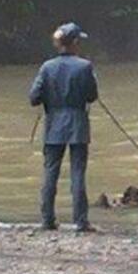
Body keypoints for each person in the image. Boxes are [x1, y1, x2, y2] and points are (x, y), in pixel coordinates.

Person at [28, 23, 99, 231]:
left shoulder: (47, 67)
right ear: (75, 42)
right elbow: (92, 96)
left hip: (53, 127)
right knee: (78, 173)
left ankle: (47, 220)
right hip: (78, 125)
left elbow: (34, 98)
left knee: (50, 172)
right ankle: (80, 221)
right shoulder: (85, 66)